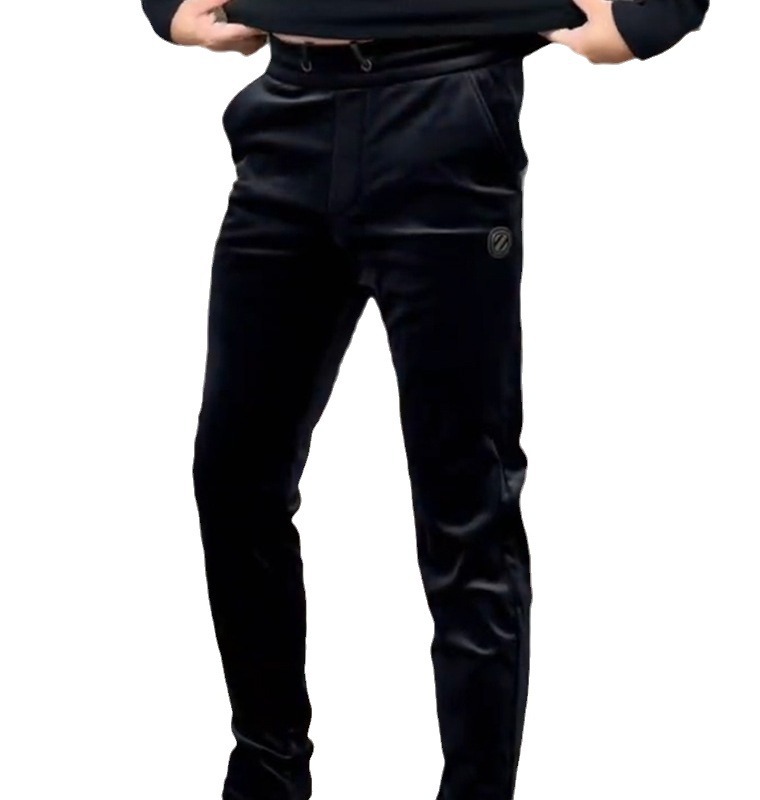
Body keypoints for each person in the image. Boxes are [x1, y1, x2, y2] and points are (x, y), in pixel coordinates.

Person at [139, 1, 709, 799]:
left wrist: (655, 15)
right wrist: (165, 6)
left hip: (443, 107)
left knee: (464, 507)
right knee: (234, 482)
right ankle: (267, 775)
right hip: (285, 112)